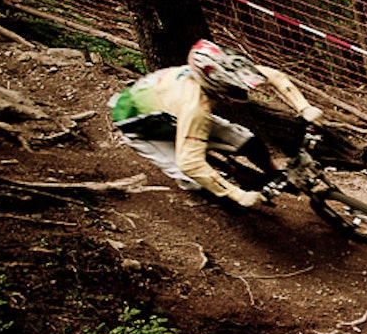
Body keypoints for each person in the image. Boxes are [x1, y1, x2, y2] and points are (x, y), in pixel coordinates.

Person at [108, 39, 323, 208]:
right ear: (214, 84)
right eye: (233, 89)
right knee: (192, 178)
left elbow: (274, 76)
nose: (241, 93)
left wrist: (304, 107)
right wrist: (237, 195)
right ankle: (225, 203)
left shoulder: (222, 68)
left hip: (166, 107)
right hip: (139, 128)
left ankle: (274, 173)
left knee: (248, 141)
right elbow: (189, 163)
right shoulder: (195, 107)